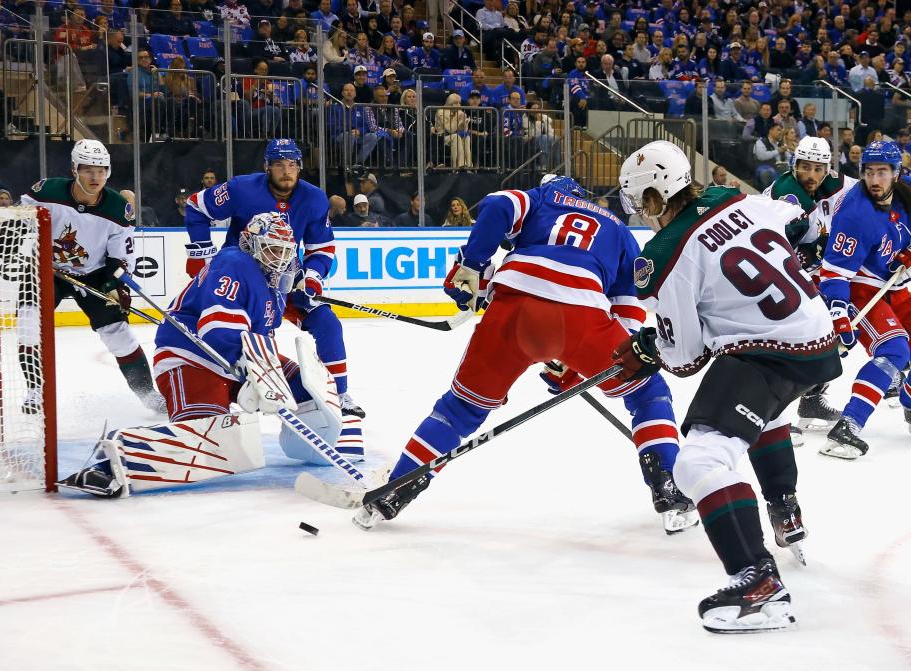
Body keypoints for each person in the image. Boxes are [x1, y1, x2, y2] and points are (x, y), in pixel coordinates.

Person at [353, 175, 696, 536]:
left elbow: (498, 207)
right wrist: (577, 366)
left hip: (513, 306)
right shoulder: (620, 230)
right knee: (646, 394)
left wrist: (471, 263)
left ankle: (396, 488)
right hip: (582, 314)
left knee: (461, 409)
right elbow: (626, 318)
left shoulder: (545, 197)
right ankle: (668, 488)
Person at [615, 140, 841, 633]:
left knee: (698, 461)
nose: (641, 213)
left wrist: (650, 348)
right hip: (816, 332)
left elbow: (686, 357)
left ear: (655, 197)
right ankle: (784, 503)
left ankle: (757, 583)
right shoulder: (737, 198)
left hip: (770, 348)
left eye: (641, 202)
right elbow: (804, 223)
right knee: (767, 412)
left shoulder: (665, 251)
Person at [58, 214, 362, 497]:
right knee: (212, 443)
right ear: (251, 245)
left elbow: (259, 338)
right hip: (192, 359)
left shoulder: (276, 281)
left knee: (307, 384)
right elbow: (217, 331)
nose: (280, 259)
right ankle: (113, 460)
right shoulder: (234, 263)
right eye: (271, 250)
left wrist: (258, 373)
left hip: (242, 360)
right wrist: (250, 379)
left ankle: (328, 442)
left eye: (284, 251)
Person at [184, 139, 366, 417]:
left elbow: (322, 248)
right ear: (267, 167)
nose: (286, 171)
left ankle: (339, 396)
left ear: (300, 168)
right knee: (222, 331)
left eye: (292, 164)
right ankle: (203, 384)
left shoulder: (315, 198)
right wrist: (201, 255)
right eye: (279, 164)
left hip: (285, 279)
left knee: (327, 323)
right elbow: (196, 207)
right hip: (240, 278)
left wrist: (312, 279)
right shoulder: (241, 189)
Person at [18, 140, 167, 415]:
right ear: (75, 169)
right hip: (45, 269)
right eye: (88, 170)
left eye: (101, 170)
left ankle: (148, 396)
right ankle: (35, 390)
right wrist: (21, 242)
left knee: (119, 335)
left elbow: (121, 256)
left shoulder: (117, 208)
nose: (95, 177)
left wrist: (114, 284)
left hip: (94, 274)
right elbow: (17, 221)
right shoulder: (46, 191)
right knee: (28, 325)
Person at [818, 141, 911, 458]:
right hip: (859, 286)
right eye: (869, 172)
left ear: (896, 174)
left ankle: (909, 402)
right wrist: (839, 313)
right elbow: (833, 273)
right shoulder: (856, 213)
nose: (874, 179)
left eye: (882, 172)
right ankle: (847, 428)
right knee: (894, 349)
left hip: (892, 285)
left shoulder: (905, 191)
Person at [763, 136, 860, 431]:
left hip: (792, 269)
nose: (812, 176)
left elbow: (865, 190)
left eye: (818, 169)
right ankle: (769, 413)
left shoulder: (825, 184)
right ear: (794, 165)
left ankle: (812, 397)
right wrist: (817, 250)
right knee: (791, 341)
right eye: (805, 167)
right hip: (769, 275)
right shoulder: (789, 197)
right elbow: (775, 250)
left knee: (840, 322)